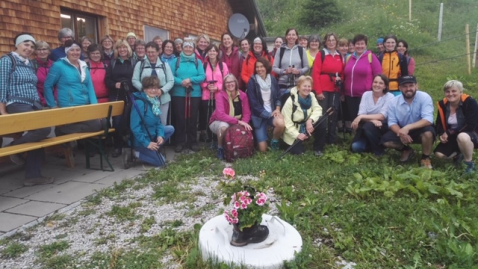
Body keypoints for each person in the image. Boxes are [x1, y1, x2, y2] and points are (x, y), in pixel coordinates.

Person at [0, 33, 53, 186]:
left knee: (38, 134)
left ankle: (33, 175)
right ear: (17, 44)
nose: (29, 48)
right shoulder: (7, 60)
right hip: (17, 103)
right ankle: (15, 149)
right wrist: (2, 109)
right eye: (26, 44)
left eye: (31, 46)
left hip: (34, 103)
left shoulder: (29, 63)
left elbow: (33, 85)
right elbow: (1, 85)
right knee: (42, 129)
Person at [44, 40, 105, 163]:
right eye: (72, 50)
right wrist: (52, 105)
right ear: (67, 51)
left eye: (77, 50)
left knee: (102, 123)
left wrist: (95, 108)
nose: (75, 52)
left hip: (85, 105)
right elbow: (47, 86)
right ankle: (62, 130)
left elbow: (90, 87)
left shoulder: (83, 65)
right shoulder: (59, 65)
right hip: (69, 105)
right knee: (96, 125)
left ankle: (63, 130)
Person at [380, 76, 435, 169]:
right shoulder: (393, 102)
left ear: (416, 86)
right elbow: (392, 123)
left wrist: (408, 127)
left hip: (420, 127)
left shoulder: (425, 97)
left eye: (411, 85)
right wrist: (401, 133)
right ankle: (406, 150)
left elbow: (428, 120)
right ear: (400, 88)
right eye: (405, 86)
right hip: (402, 128)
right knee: (386, 142)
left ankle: (425, 157)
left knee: (428, 133)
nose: (408, 89)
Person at [127, 76, 174, 167]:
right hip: (141, 141)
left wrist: (160, 135)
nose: (153, 90)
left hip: (151, 136)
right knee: (161, 162)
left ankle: (154, 149)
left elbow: (158, 122)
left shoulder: (154, 102)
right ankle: (135, 153)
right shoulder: (140, 103)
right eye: (150, 88)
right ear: (144, 89)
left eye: (156, 88)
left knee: (170, 129)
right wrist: (146, 143)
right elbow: (134, 127)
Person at [434, 80, 478, 173]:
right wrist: (442, 134)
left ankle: (468, 163)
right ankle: (459, 154)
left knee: (462, 136)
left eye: (454, 91)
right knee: (439, 155)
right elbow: (439, 123)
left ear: (461, 92)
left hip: (472, 134)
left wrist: (449, 132)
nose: (450, 94)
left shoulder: (470, 102)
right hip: (452, 135)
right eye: (447, 91)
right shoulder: (443, 105)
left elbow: (470, 125)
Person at [312, 33, 344, 156]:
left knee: (333, 114)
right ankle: (318, 145)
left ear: (336, 42)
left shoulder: (339, 56)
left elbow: (342, 73)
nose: (331, 42)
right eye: (329, 40)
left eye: (333, 40)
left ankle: (331, 140)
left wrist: (340, 80)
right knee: (321, 116)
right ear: (325, 42)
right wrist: (318, 91)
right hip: (323, 89)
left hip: (335, 89)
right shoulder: (322, 54)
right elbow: (315, 73)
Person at [343, 34, 382, 136]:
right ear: (354, 45)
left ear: (366, 45)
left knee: (364, 118)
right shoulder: (349, 58)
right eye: (357, 44)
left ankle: (365, 138)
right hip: (349, 95)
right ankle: (356, 138)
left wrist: (376, 91)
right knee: (353, 117)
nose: (359, 46)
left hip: (365, 95)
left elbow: (378, 75)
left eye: (362, 44)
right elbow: (345, 76)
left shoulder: (371, 57)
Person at [171, 41, 206, 152]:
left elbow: (202, 76)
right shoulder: (175, 61)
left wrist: (190, 80)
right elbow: (170, 76)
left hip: (194, 93)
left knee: (193, 117)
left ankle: (192, 141)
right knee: (180, 118)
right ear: (182, 48)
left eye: (190, 47)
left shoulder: (198, 62)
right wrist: (181, 82)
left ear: (193, 49)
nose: (188, 49)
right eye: (185, 46)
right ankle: (180, 142)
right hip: (179, 93)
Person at [209, 74, 252, 160]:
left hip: (236, 122)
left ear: (235, 83)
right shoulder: (220, 96)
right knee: (224, 126)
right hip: (217, 122)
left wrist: (243, 123)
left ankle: (242, 148)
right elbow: (220, 115)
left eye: (231, 82)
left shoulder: (243, 95)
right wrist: (238, 122)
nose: (229, 84)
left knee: (246, 128)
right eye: (227, 83)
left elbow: (247, 113)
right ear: (224, 85)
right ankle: (220, 148)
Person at [350, 74, 394, 155]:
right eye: (375, 82)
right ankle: (377, 145)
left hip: (381, 126)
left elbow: (381, 116)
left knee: (368, 127)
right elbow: (361, 112)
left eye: (381, 83)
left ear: (385, 86)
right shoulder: (366, 94)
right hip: (366, 126)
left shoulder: (390, 97)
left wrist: (361, 117)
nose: (377, 85)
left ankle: (378, 151)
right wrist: (373, 120)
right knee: (355, 147)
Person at [105, 40, 135, 158]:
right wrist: (114, 84)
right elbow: (107, 80)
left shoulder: (133, 62)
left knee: (130, 120)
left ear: (128, 49)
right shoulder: (112, 63)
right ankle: (118, 146)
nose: (122, 50)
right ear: (116, 50)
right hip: (116, 95)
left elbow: (136, 78)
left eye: (124, 47)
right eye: (119, 48)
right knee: (117, 121)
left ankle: (130, 145)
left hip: (130, 94)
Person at [132, 41, 174, 126]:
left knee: (162, 123)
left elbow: (171, 81)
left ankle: (161, 139)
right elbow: (135, 80)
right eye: (148, 52)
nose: (150, 54)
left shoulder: (164, 65)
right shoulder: (140, 64)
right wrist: (145, 90)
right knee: (147, 123)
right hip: (145, 99)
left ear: (158, 52)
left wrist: (161, 90)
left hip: (162, 98)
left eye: (153, 52)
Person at [247, 57, 284, 152]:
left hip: (272, 112)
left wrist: (277, 109)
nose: (259, 69)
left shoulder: (272, 79)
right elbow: (253, 104)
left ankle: (274, 141)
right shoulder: (252, 81)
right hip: (259, 117)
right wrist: (268, 114)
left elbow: (278, 95)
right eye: (257, 67)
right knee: (263, 150)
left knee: (281, 124)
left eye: (262, 66)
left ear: (266, 67)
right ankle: (263, 138)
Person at [282, 76, 322, 155]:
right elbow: (287, 122)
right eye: (304, 86)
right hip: (294, 129)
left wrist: (310, 120)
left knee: (321, 123)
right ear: (298, 87)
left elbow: (318, 109)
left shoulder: (311, 96)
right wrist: (297, 135)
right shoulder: (290, 100)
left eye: (309, 86)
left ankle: (318, 148)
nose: (307, 88)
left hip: (307, 125)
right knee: (298, 152)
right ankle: (291, 143)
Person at [199, 44, 229, 143]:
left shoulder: (222, 65)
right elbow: (200, 79)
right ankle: (206, 135)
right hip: (206, 95)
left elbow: (227, 80)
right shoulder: (203, 65)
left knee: (218, 115)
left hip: (219, 95)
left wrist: (218, 88)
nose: (212, 53)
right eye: (210, 51)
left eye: (214, 51)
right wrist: (206, 86)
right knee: (206, 115)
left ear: (217, 53)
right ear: (207, 52)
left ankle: (216, 136)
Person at [272, 28, 309, 96]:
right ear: (286, 36)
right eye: (289, 35)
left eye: (293, 35)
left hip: (298, 82)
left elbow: (307, 67)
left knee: (297, 103)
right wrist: (284, 71)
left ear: (296, 37)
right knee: (284, 103)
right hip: (283, 83)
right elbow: (274, 68)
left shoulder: (301, 50)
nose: (291, 37)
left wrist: (298, 71)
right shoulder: (280, 50)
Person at [31, 41, 55, 106]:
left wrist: (54, 100)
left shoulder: (54, 64)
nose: (42, 52)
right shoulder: (31, 64)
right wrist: (43, 101)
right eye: (39, 50)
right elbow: (33, 86)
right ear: (35, 51)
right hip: (39, 101)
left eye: (44, 49)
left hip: (54, 100)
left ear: (49, 51)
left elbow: (58, 84)